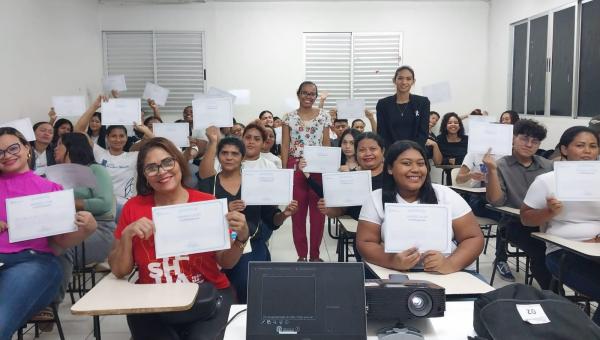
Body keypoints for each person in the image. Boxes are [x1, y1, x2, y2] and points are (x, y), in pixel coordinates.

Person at [109, 137, 248, 340]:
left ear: (179, 163)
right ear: (144, 176)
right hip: (152, 303)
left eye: (167, 162)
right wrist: (127, 235)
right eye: (151, 167)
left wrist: (241, 238)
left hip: (206, 298)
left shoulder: (206, 203)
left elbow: (225, 261)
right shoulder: (134, 207)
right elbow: (119, 271)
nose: (162, 171)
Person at [0, 127, 97, 339]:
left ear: (27, 149)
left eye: (13, 148)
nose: (7, 155)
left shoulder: (50, 189)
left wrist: (87, 229)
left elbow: (60, 242)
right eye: (0, 152)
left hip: (31, 262)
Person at [356, 141, 483, 273]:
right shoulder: (375, 199)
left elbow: (473, 238)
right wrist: (392, 261)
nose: (415, 169)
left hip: (449, 273)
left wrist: (449, 264)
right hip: (396, 272)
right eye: (406, 163)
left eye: (421, 164)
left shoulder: (446, 195)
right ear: (389, 168)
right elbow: (365, 242)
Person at [197, 137, 297, 303]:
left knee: (246, 284)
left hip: (250, 244)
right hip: (216, 246)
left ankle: (245, 321)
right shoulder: (207, 185)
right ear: (218, 156)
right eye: (224, 153)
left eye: (235, 154)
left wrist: (284, 214)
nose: (229, 157)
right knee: (211, 290)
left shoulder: (255, 183)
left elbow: (272, 221)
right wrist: (225, 209)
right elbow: (200, 221)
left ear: (242, 157)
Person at [521, 126, 600, 325]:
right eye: (580, 146)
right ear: (564, 149)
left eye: (593, 146)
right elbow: (526, 218)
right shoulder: (547, 181)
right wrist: (549, 212)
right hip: (564, 252)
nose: (588, 151)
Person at [484, 119, 553, 286]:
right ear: (513, 138)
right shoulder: (500, 165)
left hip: (550, 223)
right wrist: (491, 171)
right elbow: (496, 201)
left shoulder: (548, 165)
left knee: (568, 253)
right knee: (541, 251)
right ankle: (556, 295)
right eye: (524, 138)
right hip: (515, 223)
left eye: (535, 141)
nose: (529, 144)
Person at [53, 132, 115, 302]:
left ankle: (51, 305)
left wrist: (67, 202)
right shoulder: (54, 174)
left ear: (71, 147)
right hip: (66, 227)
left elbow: (104, 203)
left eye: (59, 144)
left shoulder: (95, 169)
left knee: (61, 248)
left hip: (98, 229)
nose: (55, 148)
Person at [74, 96, 154, 220]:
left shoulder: (134, 156)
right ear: (107, 138)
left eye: (122, 136)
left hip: (127, 207)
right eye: (113, 136)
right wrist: (94, 106)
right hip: (103, 209)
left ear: (127, 138)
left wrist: (146, 130)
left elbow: (160, 145)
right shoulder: (99, 153)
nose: (118, 139)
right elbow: (78, 131)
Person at [280, 81, 331, 262]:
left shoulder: (324, 116)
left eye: (312, 94)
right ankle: (302, 255)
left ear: (316, 96)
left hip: (318, 167)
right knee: (298, 213)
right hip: (296, 167)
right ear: (298, 94)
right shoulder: (289, 117)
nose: (308, 97)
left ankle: (315, 256)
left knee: (318, 214)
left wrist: (328, 168)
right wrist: (286, 170)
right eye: (305, 93)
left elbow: (326, 143)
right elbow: (285, 144)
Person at [376, 66, 430, 150]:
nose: (404, 82)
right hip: (391, 153)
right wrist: (394, 152)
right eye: (400, 78)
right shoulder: (383, 104)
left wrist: (412, 151)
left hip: (416, 152)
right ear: (394, 80)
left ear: (413, 81)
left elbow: (423, 132)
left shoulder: (422, 102)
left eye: (408, 79)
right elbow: (382, 133)